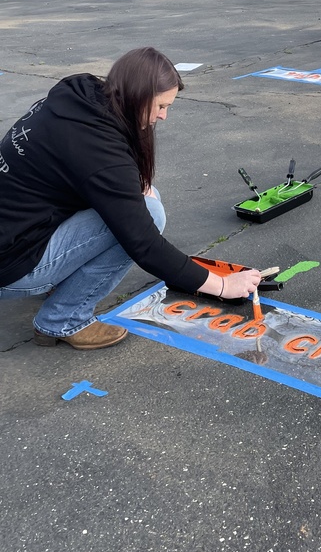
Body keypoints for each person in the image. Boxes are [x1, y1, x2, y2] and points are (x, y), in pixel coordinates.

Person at [0, 47, 265, 350]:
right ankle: (63, 319)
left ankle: (62, 285)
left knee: (142, 197)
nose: (164, 116)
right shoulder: (101, 153)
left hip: (13, 228)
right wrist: (222, 285)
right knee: (150, 212)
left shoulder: (80, 91)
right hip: (10, 265)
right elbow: (144, 244)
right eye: (161, 106)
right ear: (136, 96)